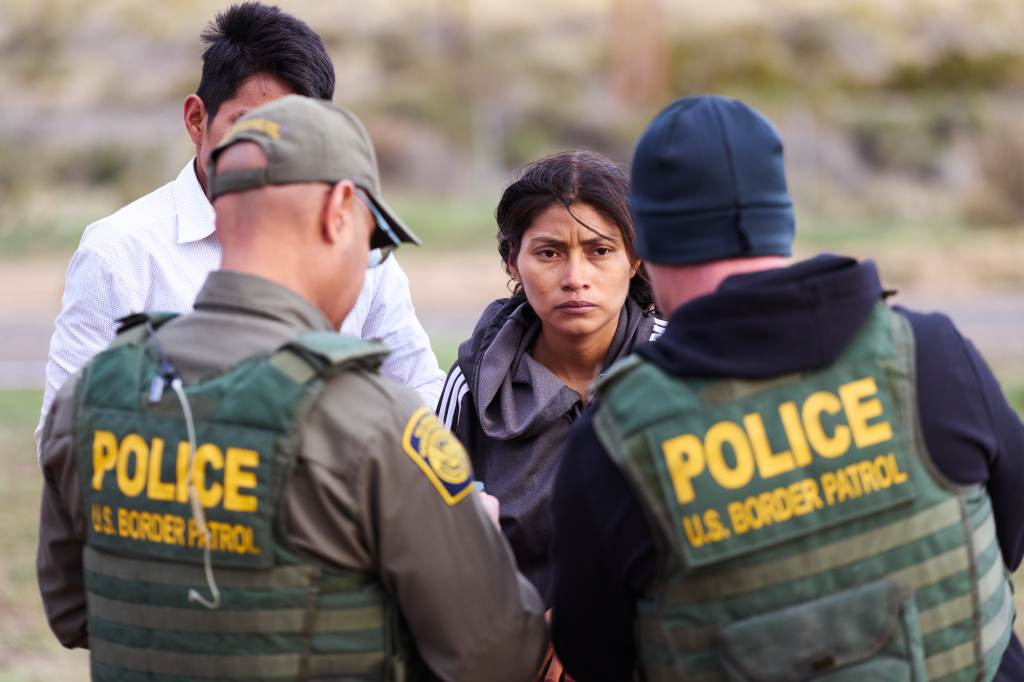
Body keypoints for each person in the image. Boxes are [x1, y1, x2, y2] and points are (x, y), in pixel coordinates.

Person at [37, 95, 548, 682]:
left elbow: (74, 613)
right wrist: (478, 542)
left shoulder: (94, 394)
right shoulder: (369, 421)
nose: (367, 265)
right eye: (372, 241)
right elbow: (496, 655)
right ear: (339, 211)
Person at [549, 95, 1024, 681]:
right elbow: (1008, 534)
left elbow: (594, 652)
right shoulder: (933, 354)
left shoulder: (618, 436)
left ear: (644, 245)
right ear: (780, 217)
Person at [38, 2, 445, 446]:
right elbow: (63, 437)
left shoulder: (360, 245)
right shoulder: (120, 251)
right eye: (250, 128)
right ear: (197, 119)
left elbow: (421, 389)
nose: (275, 155)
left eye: (298, 136)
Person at [436, 151, 663, 603]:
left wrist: (587, 622)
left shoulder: (678, 366)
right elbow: (434, 544)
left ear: (635, 259)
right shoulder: (471, 389)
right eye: (549, 253)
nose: (575, 278)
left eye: (600, 251)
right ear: (512, 262)